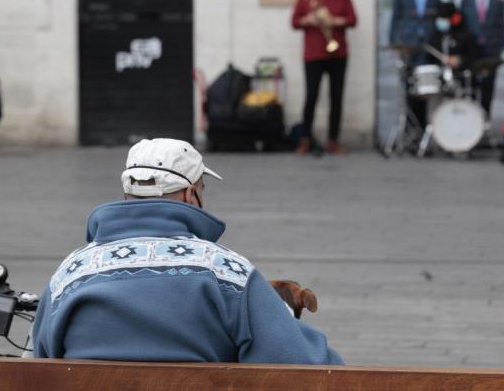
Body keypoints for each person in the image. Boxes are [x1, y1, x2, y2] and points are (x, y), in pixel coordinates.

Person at [32, 138, 343, 364]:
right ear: (189, 193)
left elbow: (40, 358)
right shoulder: (226, 272)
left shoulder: (70, 274)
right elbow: (300, 364)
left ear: (127, 192)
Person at [291, 0, 357, 155]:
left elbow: (353, 20)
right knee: (311, 96)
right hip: (313, 55)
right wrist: (307, 20)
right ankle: (305, 139)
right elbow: (294, 22)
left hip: (338, 54)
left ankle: (333, 140)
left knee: (336, 97)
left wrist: (335, 20)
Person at [388, 0, 441, 128]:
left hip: (427, 43)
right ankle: (410, 129)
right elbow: (396, 17)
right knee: (409, 86)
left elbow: (438, 17)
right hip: (407, 43)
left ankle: (423, 127)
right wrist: (393, 44)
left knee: (425, 85)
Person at [460, 0, 504, 115]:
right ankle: (472, 123)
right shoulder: (465, 2)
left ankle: (485, 122)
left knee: (488, 89)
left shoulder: (498, 2)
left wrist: (499, 49)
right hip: (471, 54)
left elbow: (502, 28)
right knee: (471, 89)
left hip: (490, 54)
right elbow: (461, 28)